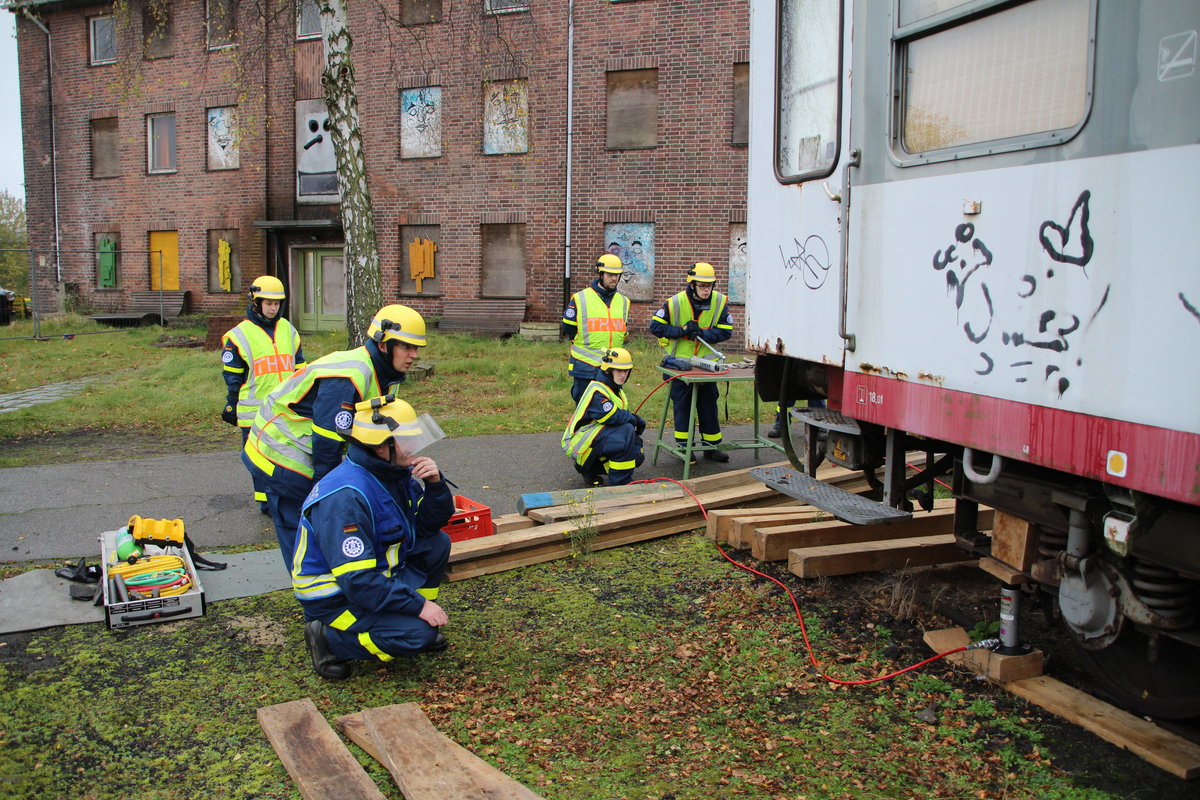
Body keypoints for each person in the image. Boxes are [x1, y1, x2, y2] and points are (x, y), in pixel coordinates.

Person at [243, 303, 427, 570]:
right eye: (406, 347)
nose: (413, 355)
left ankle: (337, 577)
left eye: (416, 348)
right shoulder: (349, 375)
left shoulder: (384, 372)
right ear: (384, 344)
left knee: (329, 518)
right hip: (280, 454)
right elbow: (328, 442)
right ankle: (312, 590)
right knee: (304, 525)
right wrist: (328, 493)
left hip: (304, 449)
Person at [295, 395, 454, 680]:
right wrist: (419, 607)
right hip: (337, 596)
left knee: (437, 544)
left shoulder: (392, 473)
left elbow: (427, 527)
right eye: (408, 439)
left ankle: (404, 615)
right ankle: (330, 639)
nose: (415, 447)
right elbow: (356, 580)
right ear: (382, 447)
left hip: (372, 577)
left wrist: (435, 486)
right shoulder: (346, 498)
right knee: (418, 635)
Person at [220, 276, 306, 513]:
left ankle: (282, 497)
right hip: (254, 412)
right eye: (267, 303)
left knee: (286, 456)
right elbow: (233, 376)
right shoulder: (239, 335)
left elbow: (300, 369)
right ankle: (265, 502)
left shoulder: (288, 330)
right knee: (259, 460)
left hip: (285, 410)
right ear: (256, 302)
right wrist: (231, 403)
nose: (272, 308)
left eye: (277, 303)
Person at [649, 262, 735, 462]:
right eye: (702, 286)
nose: (707, 290)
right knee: (683, 406)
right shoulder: (675, 303)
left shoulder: (719, 302)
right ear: (692, 284)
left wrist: (705, 333)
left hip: (706, 366)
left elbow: (726, 330)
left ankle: (711, 448)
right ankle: (685, 450)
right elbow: (656, 327)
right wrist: (682, 331)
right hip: (679, 366)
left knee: (708, 406)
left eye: (710, 286)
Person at [561, 347, 646, 487]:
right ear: (608, 370)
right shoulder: (598, 390)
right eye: (619, 370)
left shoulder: (613, 388)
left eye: (626, 371)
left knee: (633, 445)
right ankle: (621, 484)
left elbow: (618, 418)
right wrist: (634, 419)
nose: (623, 375)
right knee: (625, 433)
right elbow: (611, 417)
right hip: (578, 443)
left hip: (592, 436)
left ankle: (593, 469)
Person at [561, 253, 631, 404]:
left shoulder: (624, 302)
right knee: (585, 412)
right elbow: (568, 329)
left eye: (617, 275)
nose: (614, 278)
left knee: (610, 412)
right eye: (610, 274)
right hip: (586, 368)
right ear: (600, 274)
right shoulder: (580, 299)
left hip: (613, 367)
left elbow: (623, 332)